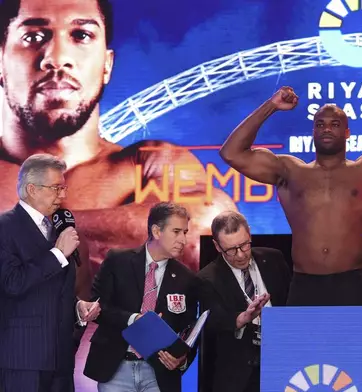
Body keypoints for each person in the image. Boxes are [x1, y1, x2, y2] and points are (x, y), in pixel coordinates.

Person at [0, 0, 237, 277]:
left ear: (107, 65)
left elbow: (204, 228)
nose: (57, 57)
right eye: (33, 37)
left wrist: (24, 229)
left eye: (81, 35)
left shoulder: (147, 163)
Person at [220, 83, 362, 306]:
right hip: (303, 285)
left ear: (347, 133)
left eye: (335, 124)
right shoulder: (289, 171)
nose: (327, 129)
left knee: (354, 343)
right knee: (296, 342)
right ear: (313, 131)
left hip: (351, 284)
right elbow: (231, 153)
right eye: (320, 124)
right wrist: (271, 105)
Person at [0, 153, 100, 392]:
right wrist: (57, 254)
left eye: (63, 188)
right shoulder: (5, 227)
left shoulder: (57, 229)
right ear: (32, 189)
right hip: (22, 360)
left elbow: (50, 289)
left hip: (61, 361)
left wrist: (77, 307)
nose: (63, 195)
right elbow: (12, 283)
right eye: (56, 188)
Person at [83, 202, 199, 392]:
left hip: (158, 374)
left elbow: (190, 330)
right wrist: (134, 320)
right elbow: (98, 307)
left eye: (185, 232)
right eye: (176, 231)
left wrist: (182, 359)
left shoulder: (188, 279)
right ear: (156, 231)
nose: (183, 240)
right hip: (115, 368)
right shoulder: (117, 261)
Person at [196, 211, 291, 392]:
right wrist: (242, 318)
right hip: (239, 374)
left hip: (281, 362)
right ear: (217, 246)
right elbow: (212, 322)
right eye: (231, 250)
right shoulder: (207, 278)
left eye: (244, 245)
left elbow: (289, 301)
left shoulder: (273, 259)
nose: (240, 255)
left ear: (250, 233)